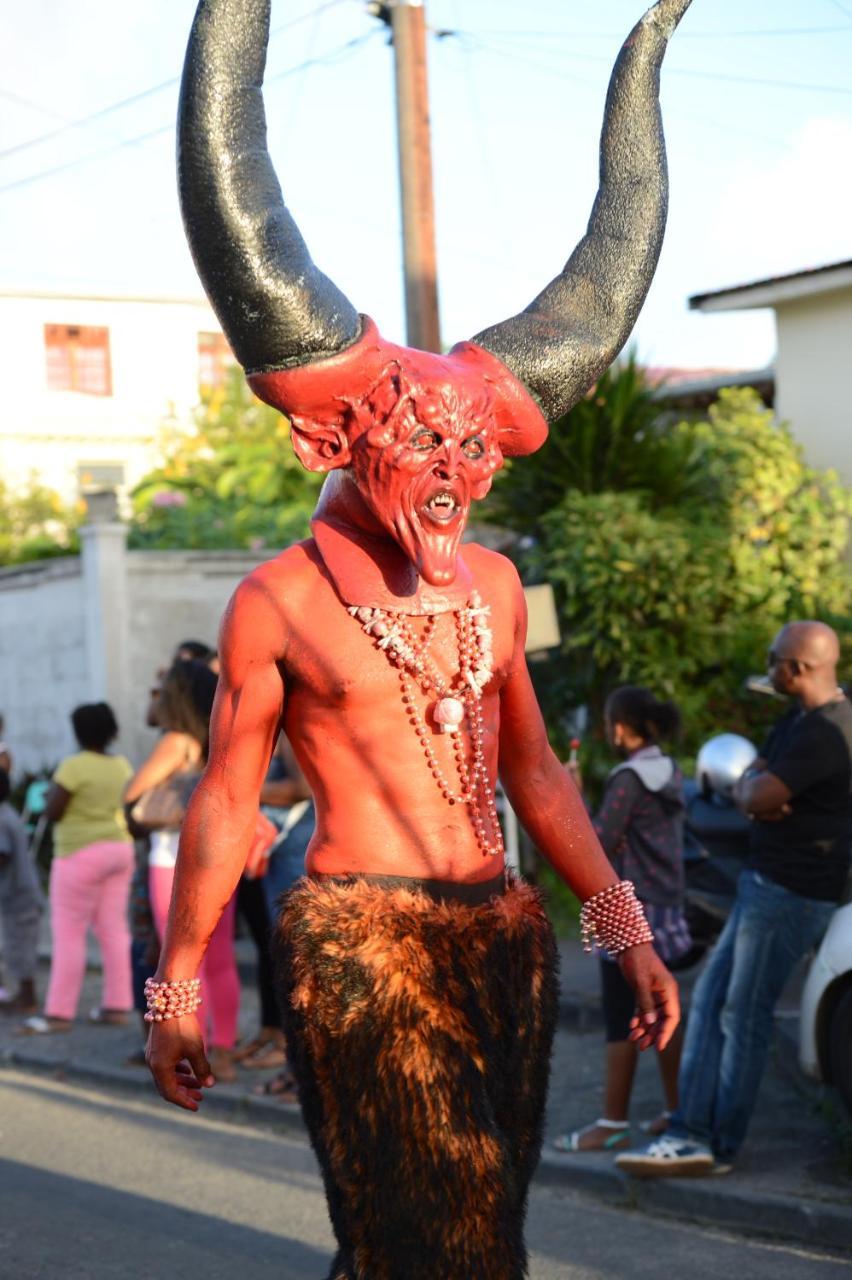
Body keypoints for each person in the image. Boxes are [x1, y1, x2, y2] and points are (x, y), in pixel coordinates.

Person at [146, 2, 690, 1275]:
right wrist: (177, 988)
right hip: (360, 941)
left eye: (475, 450)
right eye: (424, 445)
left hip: (501, 935)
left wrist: (623, 929)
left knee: (464, 1233)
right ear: (332, 439)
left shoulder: (492, 583)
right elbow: (228, 800)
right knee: (441, 1230)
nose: (454, 471)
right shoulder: (277, 597)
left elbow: (538, 773)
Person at [618, 621, 850, 1178]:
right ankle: (688, 1127)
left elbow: (760, 790)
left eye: (774, 660)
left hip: (790, 893)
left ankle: (712, 1142)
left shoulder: (830, 730)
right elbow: (755, 788)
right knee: (713, 1002)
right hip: (764, 884)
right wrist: (758, 794)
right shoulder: (799, 720)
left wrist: (760, 794)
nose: (767, 669)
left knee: (742, 1016)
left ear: (797, 668)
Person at [555, 687, 689, 1153]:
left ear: (618, 727)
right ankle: (677, 1112)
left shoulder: (628, 779)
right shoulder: (668, 770)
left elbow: (598, 842)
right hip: (668, 907)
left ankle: (612, 1121)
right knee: (662, 1009)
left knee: (620, 1014)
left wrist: (571, 797)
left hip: (632, 914)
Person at [126, 658, 241, 1082]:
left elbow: (132, 793)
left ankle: (198, 1054)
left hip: (172, 862)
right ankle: (223, 1049)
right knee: (221, 959)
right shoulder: (221, 738)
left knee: (185, 962)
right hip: (218, 858)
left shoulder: (176, 741)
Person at [21, 703, 134, 1033]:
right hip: (119, 848)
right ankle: (117, 1005)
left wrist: (46, 797)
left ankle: (59, 1012)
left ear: (78, 732)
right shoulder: (121, 765)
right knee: (114, 929)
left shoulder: (73, 766)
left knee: (69, 932)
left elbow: (54, 811)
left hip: (79, 853)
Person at [0, 767, 43, 1015]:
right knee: (16, 946)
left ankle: (27, 998)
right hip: (18, 896)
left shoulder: (2, 819)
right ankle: (24, 994)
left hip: (20, 897)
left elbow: (2, 855)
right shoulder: (8, 813)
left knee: (20, 947)